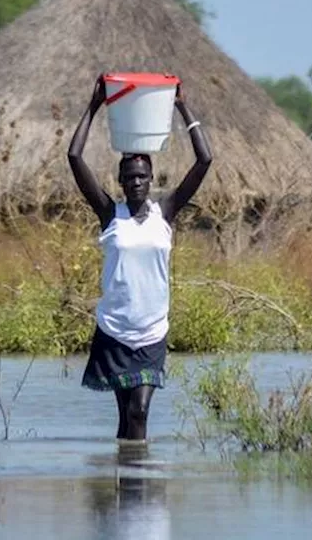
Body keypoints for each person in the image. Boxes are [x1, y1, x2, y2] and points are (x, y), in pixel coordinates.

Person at [67, 74, 213, 443]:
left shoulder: (166, 213)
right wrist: (94, 105)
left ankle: (141, 494)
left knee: (140, 409)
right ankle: (127, 485)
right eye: (129, 177)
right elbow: (74, 156)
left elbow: (205, 158)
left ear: (151, 179)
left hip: (151, 331)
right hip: (115, 329)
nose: (135, 183)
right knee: (124, 415)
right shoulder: (109, 214)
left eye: (142, 177)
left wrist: (181, 106)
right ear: (120, 180)